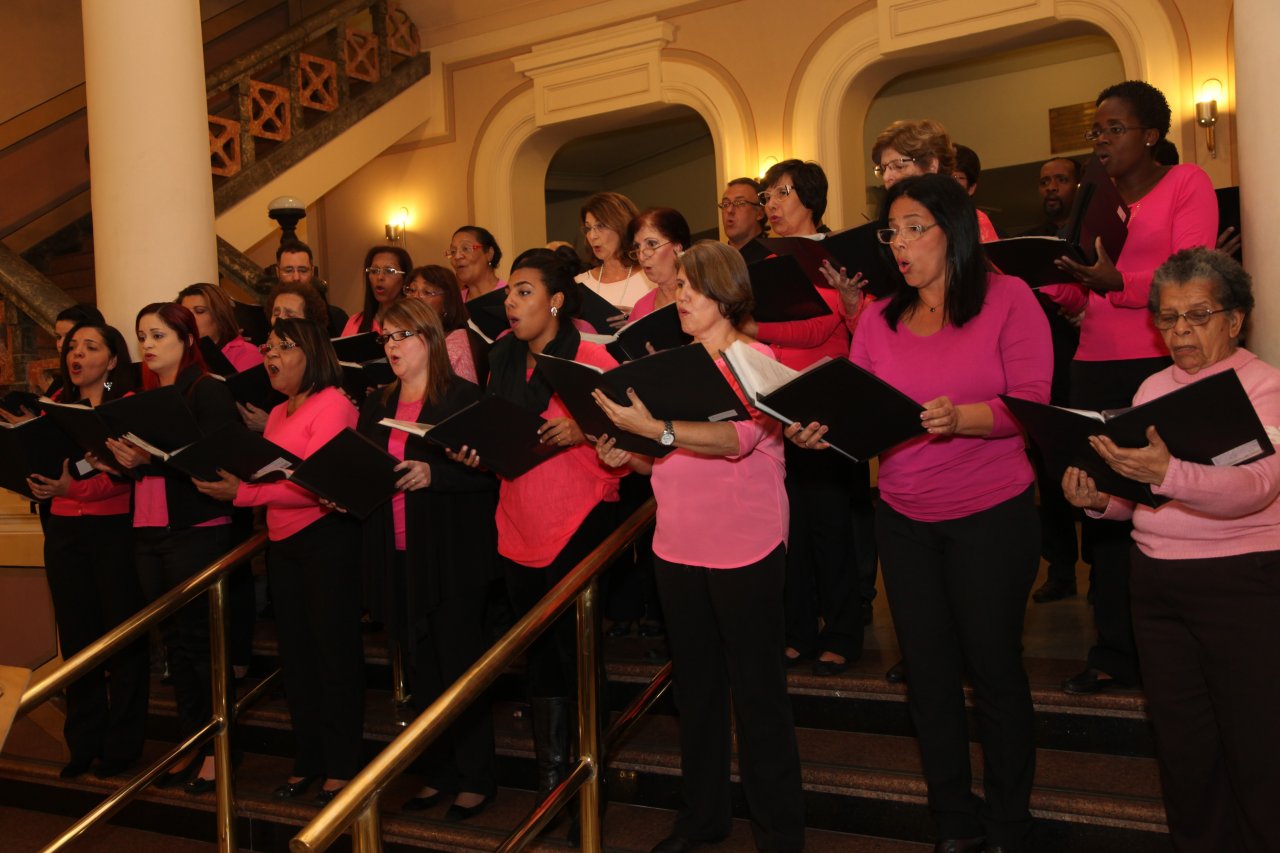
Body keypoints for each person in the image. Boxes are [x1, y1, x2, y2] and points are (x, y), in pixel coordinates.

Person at [790, 174, 1052, 852]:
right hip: (904, 515)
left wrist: (959, 417)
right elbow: (863, 409)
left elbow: (1030, 403)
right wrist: (823, 429)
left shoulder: (1007, 298)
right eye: (892, 232)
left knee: (993, 668)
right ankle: (953, 820)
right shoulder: (876, 317)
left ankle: (1009, 822)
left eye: (914, 228)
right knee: (929, 675)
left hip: (991, 512)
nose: (899, 245)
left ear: (953, 231)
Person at [1061, 247, 1280, 852]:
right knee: (1184, 749)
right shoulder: (1152, 386)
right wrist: (1100, 498)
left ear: (1235, 320)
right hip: (1157, 586)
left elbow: (1255, 489)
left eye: (1198, 315)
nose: (1180, 330)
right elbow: (1142, 494)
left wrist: (1168, 472)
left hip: (1243, 582)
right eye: (1168, 317)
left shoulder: (1264, 387)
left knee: (1258, 745)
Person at [594, 240, 804, 853]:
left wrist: (653, 429)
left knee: (760, 696)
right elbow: (663, 456)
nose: (678, 295)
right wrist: (627, 453)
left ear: (726, 293)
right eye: (677, 284)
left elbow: (738, 439)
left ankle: (779, 833)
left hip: (746, 544)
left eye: (690, 286)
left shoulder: (757, 358)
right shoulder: (677, 361)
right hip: (678, 543)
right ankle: (703, 815)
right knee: (697, 692)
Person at [1041, 80, 1218, 696]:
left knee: (1166, 503)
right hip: (1094, 364)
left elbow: (1192, 277)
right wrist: (1042, 278)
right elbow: (1078, 292)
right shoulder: (1092, 199)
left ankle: (1177, 648)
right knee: (1103, 507)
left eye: (1114, 128)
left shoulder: (1186, 184)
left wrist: (1116, 279)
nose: (1103, 140)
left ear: (1150, 134)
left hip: (1158, 366)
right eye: (1097, 130)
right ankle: (1113, 649)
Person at [454, 246, 625, 832]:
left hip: (578, 515)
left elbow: (633, 433)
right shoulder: (501, 356)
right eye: (510, 292)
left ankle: (587, 783)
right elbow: (498, 428)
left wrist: (583, 429)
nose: (511, 301)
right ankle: (554, 785)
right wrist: (473, 450)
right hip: (517, 517)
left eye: (523, 291)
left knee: (575, 654)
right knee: (540, 659)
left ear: (555, 300)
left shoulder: (594, 354)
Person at [194, 318, 364, 804]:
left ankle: (341, 765)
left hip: (326, 540)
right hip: (284, 543)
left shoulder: (332, 403)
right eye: (267, 347)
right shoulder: (276, 412)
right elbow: (275, 476)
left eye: (282, 348)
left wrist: (242, 492)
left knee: (332, 654)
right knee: (297, 657)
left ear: (311, 352)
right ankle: (308, 759)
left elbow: (316, 482)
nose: (270, 357)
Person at [355, 299, 499, 820]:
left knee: (459, 664)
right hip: (396, 550)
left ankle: (477, 776)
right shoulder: (377, 403)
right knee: (418, 668)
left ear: (430, 340)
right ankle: (438, 772)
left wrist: (437, 476)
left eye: (402, 336)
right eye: (385, 338)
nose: (392, 346)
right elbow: (367, 466)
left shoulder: (461, 398)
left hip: (452, 553)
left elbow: (492, 477)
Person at [98, 303, 242, 795]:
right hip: (149, 528)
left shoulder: (210, 389)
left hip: (197, 526)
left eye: (158, 335)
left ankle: (220, 749)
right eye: (142, 337)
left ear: (186, 339)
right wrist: (122, 462)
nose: (148, 345)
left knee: (202, 646)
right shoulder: (144, 396)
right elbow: (151, 467)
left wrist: (151, 459)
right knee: (175, 648)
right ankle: (192, 742)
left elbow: (215, 460)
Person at [751, 158, 863, 676]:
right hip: (773, 402)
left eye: (780, 194)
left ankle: (841, 631)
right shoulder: (763, 257)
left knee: (830, 526)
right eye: (767, 196)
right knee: (786, 523)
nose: (770, 205)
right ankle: (795, 629)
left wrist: (752, 327)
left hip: (825, 401)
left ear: (809, 199)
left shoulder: (831, 251)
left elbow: (822, 325)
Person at [26, 322, 146, 780]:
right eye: (73, 348)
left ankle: (121, 745)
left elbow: (123, 479)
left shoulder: (127, 407)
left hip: (113, 531)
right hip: (64, 533)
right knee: (76, 642)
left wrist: (72, 488)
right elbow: (49, 467)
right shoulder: (57, 409)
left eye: (91, 348)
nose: (77, 355)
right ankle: (83, 743)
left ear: (113, 360)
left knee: (121, 641)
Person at [1022, 158, 1084, 604]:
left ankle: (1101, 577)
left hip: (1085, 365)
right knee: (1051, 475)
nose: (1052, 188)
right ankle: (1060, 571)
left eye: (1060, 179)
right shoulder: (1031, 240)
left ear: (1077, 185)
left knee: (1093, 470)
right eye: (1045, 181)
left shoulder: (1090, 237)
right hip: (1046, 367)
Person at [872, 120, 1000, 245]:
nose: (887, 177)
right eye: (883, 169)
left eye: (899, 166)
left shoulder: (970, 221)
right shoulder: (885, 224)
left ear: (932, 166)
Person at [575, 191, 652, 326]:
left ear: (622, 226)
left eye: (600, 226)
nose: (592, 236)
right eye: (588, 228)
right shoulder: (579, 283)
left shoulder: (651, 278)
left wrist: (638, 320)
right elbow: (553, 315)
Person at [403, 264, 482, 384]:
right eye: (412, 290)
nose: (415, 298)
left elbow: (464, 397)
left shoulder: (457, 344)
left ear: (446, 302)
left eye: (427, 292)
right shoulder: (409, 336)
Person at [177, 283, 263, 373]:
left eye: (199, 311)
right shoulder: (180, 355)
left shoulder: (247, 353)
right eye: (185, 313)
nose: (190, 318)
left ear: (220, 315)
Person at [624, 208, 691, 324]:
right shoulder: (640, 308)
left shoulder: (703, 294)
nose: (641, 256)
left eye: (651, 244)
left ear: (677, 247)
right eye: (637, 247)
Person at [276, 239, 349, 336]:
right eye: (288, 270)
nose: (296, 277)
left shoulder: (336, 317)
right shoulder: (267, 318)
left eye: (303, 270)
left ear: (312, 272)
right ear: (278, 272)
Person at [342, 245, 412, 335]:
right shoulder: (355, 322)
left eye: (389, 271)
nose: (380, 277)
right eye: (374, 271)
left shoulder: (414, 323)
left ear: (405, 278)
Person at [719, 178, 769, 263]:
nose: (729, 210)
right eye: (726, 204)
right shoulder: (714, 262)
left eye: (740, 203)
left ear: (760, 213)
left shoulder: (773, 258)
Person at [448, 225, 504, 301]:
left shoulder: (509, 295)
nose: (457, 256)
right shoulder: (455, 303)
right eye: (453, 251)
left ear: (489, 253)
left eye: (465, 248)